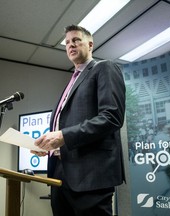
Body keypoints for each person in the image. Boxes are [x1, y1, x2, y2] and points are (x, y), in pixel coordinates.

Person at [31, 25, 126, 216]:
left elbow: (111, 117)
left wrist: (63, 136)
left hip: (91, 174)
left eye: (76, 40)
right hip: (60, 172)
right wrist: (49, 144)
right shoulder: (72, 80)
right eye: (67, 42)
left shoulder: (105, 68)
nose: (70, 45)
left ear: (90, 44)